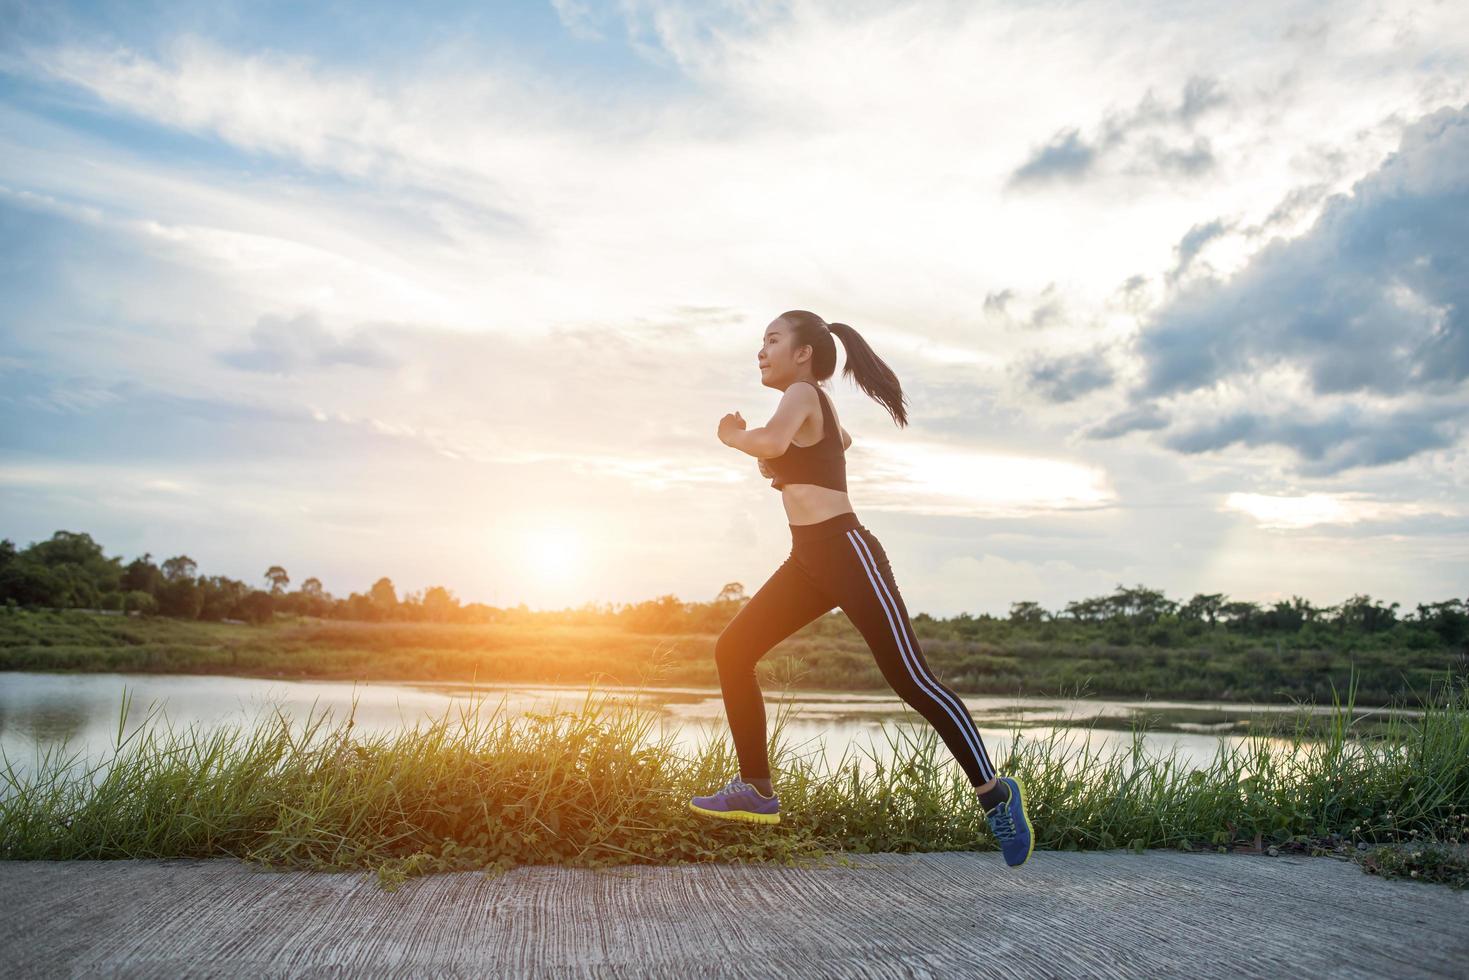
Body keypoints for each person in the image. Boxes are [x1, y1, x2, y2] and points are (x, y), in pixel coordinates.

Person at [688, 310, 1034, 868]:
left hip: (848, 553)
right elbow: (836, 440)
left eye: (772, 340)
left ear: (803, 354)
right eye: (762, 342)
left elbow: (772, 440)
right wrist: (793, 455)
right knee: (733, 649)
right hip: (808, 560)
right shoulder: (811, 403)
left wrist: (734, 436)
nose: (762, 350)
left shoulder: (803, 391)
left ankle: (995, 793)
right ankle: (756, 788)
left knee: (911, 679)